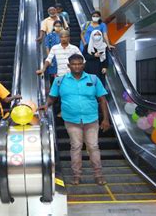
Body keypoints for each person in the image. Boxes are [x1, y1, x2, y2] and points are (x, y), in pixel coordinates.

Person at [39, 54, 110, 186]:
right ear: (68, 66)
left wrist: (106, 119)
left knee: (93, 147)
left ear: (83, 65)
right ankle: (76, 175)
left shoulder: (93, 79)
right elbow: (52, 97)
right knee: (76, 147)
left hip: (91, 119)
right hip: (71, 120)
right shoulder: (60, 81)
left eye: (79, 64)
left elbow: (102, 100)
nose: (77, 66)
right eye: (74, 64)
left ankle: (98, 175)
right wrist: (46, 104)